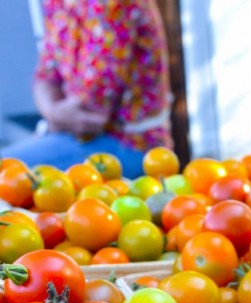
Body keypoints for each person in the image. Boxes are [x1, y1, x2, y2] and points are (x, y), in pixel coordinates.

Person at [8, 0, 173, 178]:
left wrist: (54, 115)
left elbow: (90, 113)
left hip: (128, 145)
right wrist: (53, 112)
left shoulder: (113, 4)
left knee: (6, 174)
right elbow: (45, 75)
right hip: (70, 135)